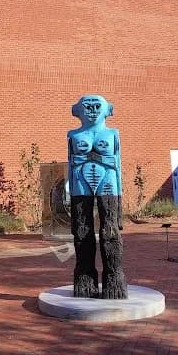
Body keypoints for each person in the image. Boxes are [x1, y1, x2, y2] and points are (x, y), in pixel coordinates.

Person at [67, 94, 128, 299]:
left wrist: (119, 201)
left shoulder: (112, 134)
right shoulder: (73, 135)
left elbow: (117, 164)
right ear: (77, 110)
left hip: (108, 184)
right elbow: (71, 162)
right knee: (82, 229)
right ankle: (84, 278)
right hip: (80, 185)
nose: (92, 110)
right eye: (88, 106)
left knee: (110, 229)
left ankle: (114, 277)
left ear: (108, 110)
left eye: (96, 106)